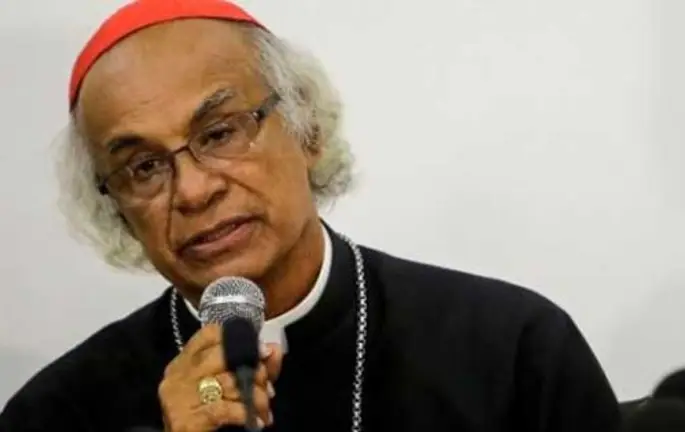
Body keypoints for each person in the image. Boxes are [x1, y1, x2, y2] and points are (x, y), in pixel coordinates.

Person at [0, 1, 621, 431]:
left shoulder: (511, 351)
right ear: (116, 210)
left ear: (308, 128)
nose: (192, 191)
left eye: (219, 132)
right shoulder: (55, 415)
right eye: (142, 168)